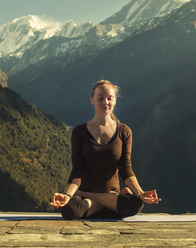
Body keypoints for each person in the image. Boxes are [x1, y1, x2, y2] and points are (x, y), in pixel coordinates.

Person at [50, 80, 161, 219]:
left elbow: (125, 169)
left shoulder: (124, 131)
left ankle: (92, 200)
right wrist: (67, 195)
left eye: (109, 98)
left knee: (136, 204)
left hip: (91, 196)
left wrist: (140, 193)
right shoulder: (79, 132)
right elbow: (77, 170)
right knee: (69, 210)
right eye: (100, 98)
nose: (105, 102)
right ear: (92, 100)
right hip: (109, 199)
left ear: (115, 101)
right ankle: (108, 204)